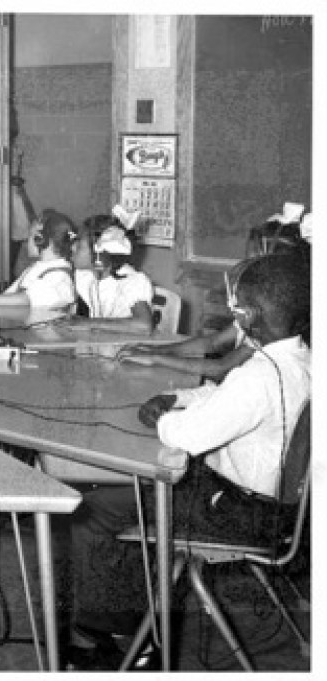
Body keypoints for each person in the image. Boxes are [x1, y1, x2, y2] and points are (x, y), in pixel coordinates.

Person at [66, 254, 311, 670]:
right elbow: (225, 401)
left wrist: (163, 418)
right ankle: (130, 616)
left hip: (241, 514)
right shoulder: (301, 360)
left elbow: (189, 435)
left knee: (95, 512)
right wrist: (177, 399)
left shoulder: (261, 374)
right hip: (277, 514)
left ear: (247, 315)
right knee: (138, 496)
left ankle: (120, 638)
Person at [117, 212, 311, 382]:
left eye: (252, 261)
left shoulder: (275, 328)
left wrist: (156, 358)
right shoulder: (261, 311)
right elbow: (213, 342)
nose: (244, 265)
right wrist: (156, 350)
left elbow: (220, 369)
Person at [0, 208, 77, 311]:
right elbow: (8, 296)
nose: (26, 241)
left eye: (30, 236)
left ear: (41, 240)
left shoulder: (59, 276)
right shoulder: (36, 268)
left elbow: (27, 299)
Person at [60, 208, 154, 335]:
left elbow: (144, 326)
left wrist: (89, 323)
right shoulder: (87, 276)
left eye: (80, 245)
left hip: (129, 348)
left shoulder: (130, 281)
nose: (72, 247)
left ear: (100, 254)